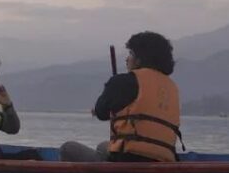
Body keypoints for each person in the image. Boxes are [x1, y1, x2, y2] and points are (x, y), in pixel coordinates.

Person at [60, 31, 182, 162]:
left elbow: (101, 112)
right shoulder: (171, 87)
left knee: (67, 148)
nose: (127, 58)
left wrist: (98, 109)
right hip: (163, 160)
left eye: (131, 54)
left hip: (127, 159)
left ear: (140, 59)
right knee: (103, 146)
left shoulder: (123, 81)